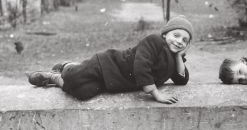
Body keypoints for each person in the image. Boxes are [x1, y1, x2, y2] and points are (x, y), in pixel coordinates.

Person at [27, 15, 193, 104]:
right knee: (73, 77)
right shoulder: (155, 41)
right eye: (176, 35)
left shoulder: (173, 59)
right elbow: (141, 66)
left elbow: (181, 80)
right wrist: (155, 93)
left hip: (111, 83)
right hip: (107, 65)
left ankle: (57, 79)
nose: (179, 41)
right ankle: (62, 69)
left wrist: (179, 56)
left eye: (184, 40)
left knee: (82, 93)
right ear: (165, 34)